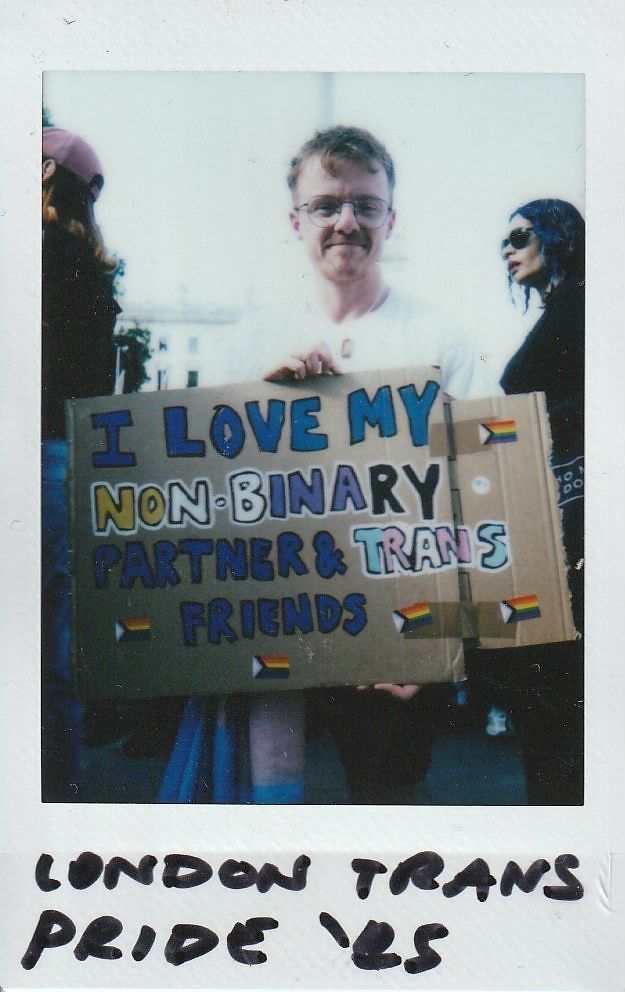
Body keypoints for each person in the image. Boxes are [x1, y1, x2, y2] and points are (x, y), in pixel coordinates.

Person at [159, 125, 497, 805]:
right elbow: (199, 499)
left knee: (387, 815)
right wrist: (249, 407)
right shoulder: (248, 341)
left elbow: (483, 494)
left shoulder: (442, 337)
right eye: (326, 205)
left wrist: (435, 641)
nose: (346, 221)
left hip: (399, 640)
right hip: (271, 636)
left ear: (390, 219)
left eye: (365, 206)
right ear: (295, 220)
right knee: (267, 817)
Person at [469, 199, 584, 804]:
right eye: (503, 243)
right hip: (559, 519)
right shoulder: (567, 308)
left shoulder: (583, 304)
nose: (509, 250)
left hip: (577, 526)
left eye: (519, 236)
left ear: (559, 236)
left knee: (560, 709)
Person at [41, 126, 120, 800]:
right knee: (54, 650)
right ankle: (57, 794)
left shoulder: (32, 252)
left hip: (30, 457)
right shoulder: (91, 267)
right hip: (68, 460)